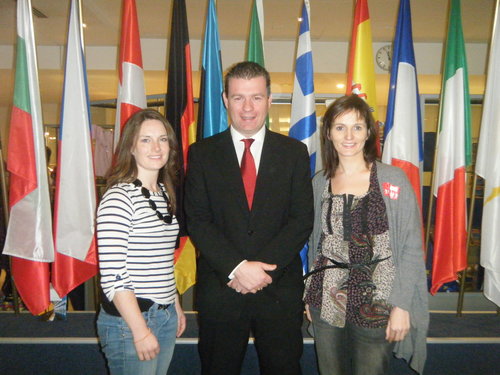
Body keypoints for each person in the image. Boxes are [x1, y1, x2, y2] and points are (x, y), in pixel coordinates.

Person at [185, 61, 314, 375]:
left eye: (256, 97)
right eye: (238, 97)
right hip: (222, 287)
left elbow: (301, 220)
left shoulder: (294, 152)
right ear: (226, 100)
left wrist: (261, 271)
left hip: (278, 289)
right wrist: (238, 268)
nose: (247, 107)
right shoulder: (201, 153)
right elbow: (198, 220)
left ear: (269, 100)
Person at [304, 94, 429, 375]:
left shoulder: (392, 179)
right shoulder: (319, 182)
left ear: (369, 132)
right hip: (326, 297)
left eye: (357, 127)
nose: (349, 136)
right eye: (340, 127)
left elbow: (410, 247)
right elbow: (316, 244)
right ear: (328, 133)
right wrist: (311, 294)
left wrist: (402, 305)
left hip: (378, 299)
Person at [96, 108, 186, 375]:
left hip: (164, 313)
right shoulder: (119, 198)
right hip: (131, 321)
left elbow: (163, 260)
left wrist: (175, 304)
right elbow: (113, 275)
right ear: (131, 147)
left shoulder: (162, 195)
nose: (156, 147)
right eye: (146, 139)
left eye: (162, 139)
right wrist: (139, 330)